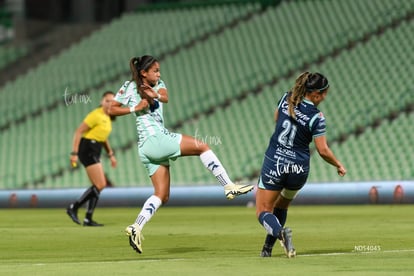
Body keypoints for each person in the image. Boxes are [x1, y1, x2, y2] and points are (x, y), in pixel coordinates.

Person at [108, 55, 254, 254]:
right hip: (156, 138)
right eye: (155, 71)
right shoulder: (130, 86)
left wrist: (154, 94)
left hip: (146, 148)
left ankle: (136, 227)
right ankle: (228, 186)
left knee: (162, 195)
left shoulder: (158, 84)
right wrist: (134, 107)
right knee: (202, 146)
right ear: (143, 72)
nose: (159, 74)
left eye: (159, 70)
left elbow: (165, 97)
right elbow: (111, 109)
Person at [255, 72, 346, 258]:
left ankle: (280, 233)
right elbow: (322, 150)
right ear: (315, 94)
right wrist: (338, 164)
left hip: (276, 161)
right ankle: (267, 249)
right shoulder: (317, 117)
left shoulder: (286, 99)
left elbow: (276, 120)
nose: (325, 98)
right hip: (299, 168)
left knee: (263, 210)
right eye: (324, 94)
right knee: (281, 206)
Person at [66, 91, 117, 226]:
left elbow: (103, 138)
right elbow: (78, 131)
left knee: (97, 186)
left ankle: (88, 218)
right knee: (101, 184)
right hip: (87, 148)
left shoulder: (108, 118)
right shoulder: (96, 115)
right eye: (107, 100)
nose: (110, 103)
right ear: (101, 102)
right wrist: (74, 153)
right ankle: (74, 207)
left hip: (96, 148)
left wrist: (111, 154)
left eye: (112, 101)